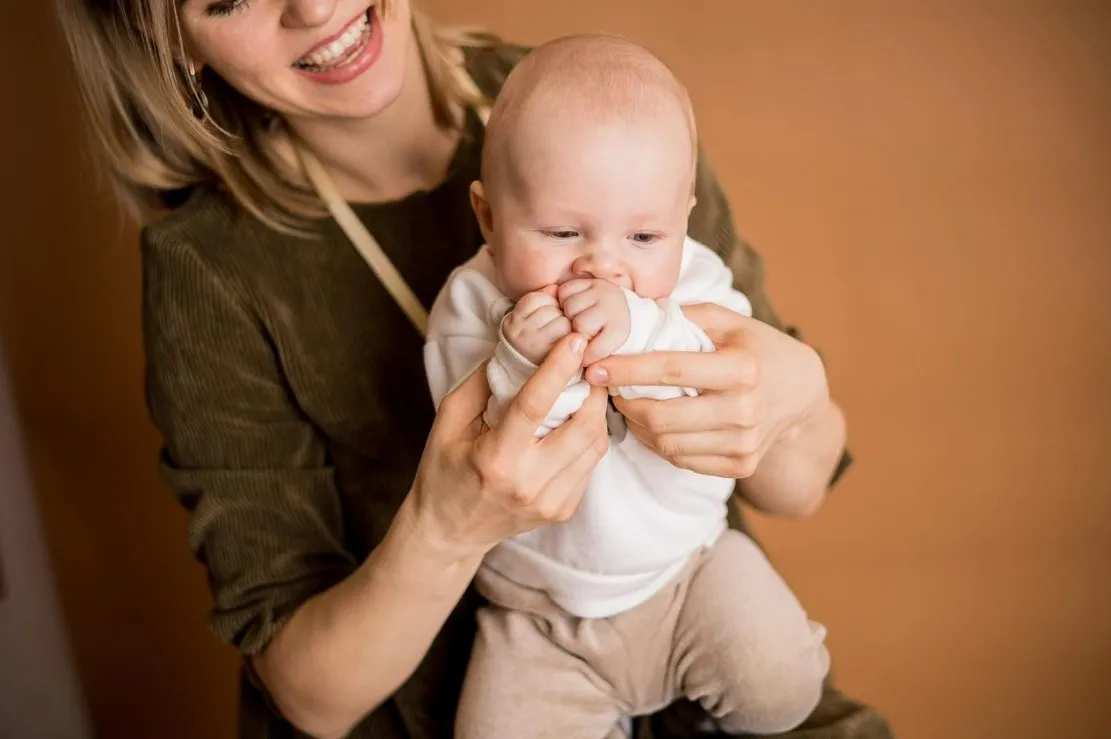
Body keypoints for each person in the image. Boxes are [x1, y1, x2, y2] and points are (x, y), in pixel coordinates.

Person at [54, 1, 894, 738]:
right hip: (484, 682)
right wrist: (449, 524)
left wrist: (797, 394)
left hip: (706, 642)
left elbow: (800, 486)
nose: (313, 7)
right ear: (174, 44)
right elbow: (310, 700)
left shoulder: (603, 107)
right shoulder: (211, 266)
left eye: (638, 237)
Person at [425, 35, 831, 738]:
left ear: (683, 217)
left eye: (644, 238)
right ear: (488, 217)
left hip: (690, 569)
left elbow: (723, 378)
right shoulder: (469, 308)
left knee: (782, 684)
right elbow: (486, 443)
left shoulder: (698, 281)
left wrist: (640, 326)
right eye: (561, 231)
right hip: (539, 612)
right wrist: (525, 358)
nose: (603, 266)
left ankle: (707, 706)